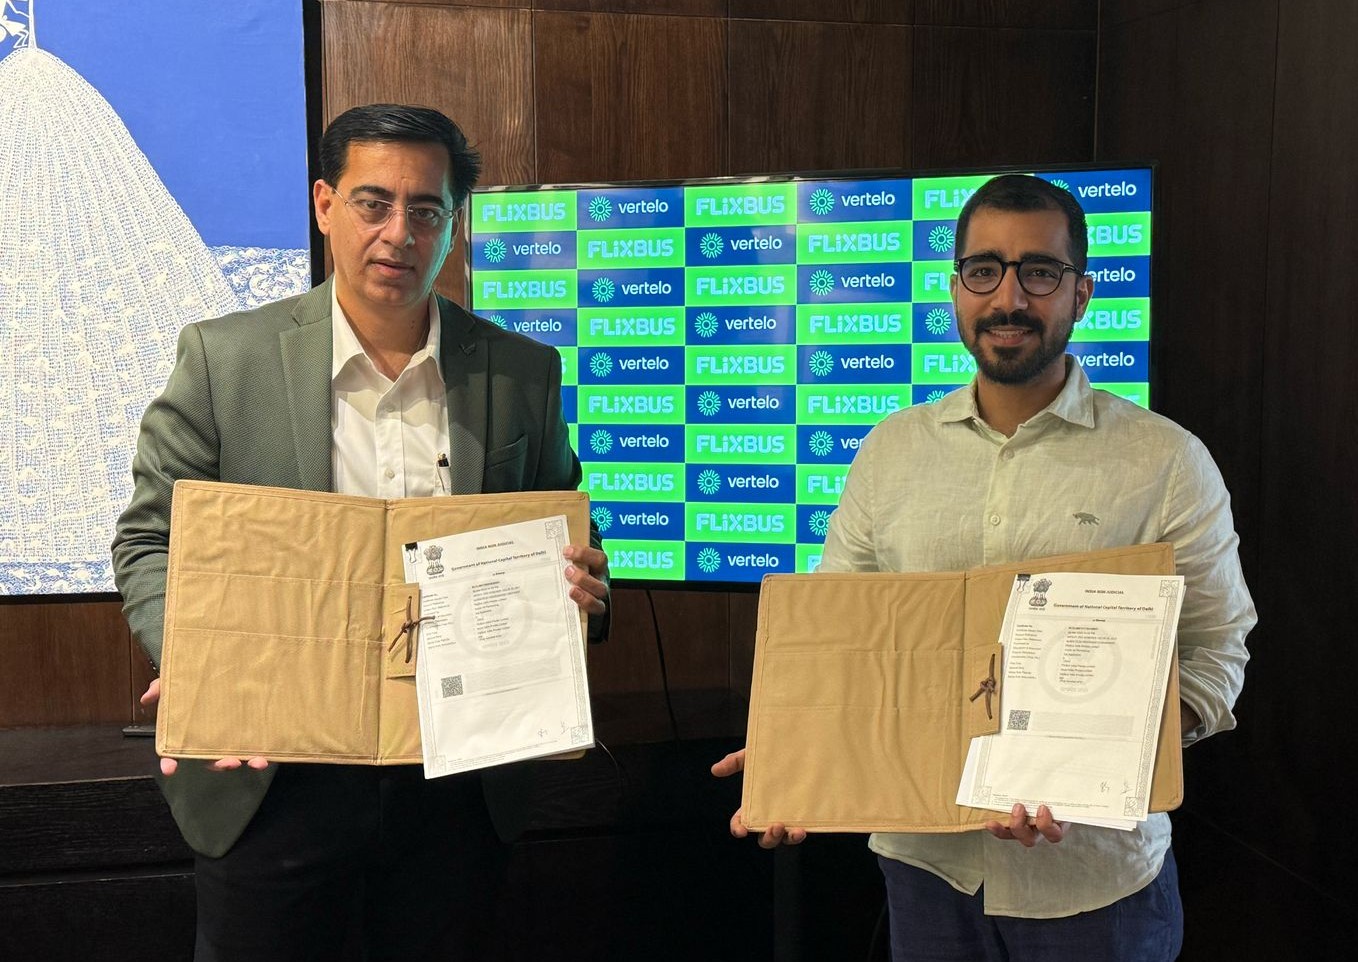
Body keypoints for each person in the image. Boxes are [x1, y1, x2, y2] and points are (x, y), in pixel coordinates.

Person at [113, 103, 610, 962]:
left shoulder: (521, 371)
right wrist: (196, 661)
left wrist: (585, 586)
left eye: (426, 210)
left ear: (453, 224)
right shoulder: (224, 359)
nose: (399, 234)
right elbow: (149, 542)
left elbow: (565, 529)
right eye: (373, 203)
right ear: (324, 205)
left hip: (459, 775)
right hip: (272, 775)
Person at [713, 174, 1254, 961]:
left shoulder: (1167, 462)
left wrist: (1100, 764)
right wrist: (796, 755)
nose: (1009, 297)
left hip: (1094, 887)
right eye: (984, 270)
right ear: (956, 289)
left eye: (1039, 272)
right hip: (925, 873)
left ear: (1081, 293)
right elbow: (837, 641)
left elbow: (1214, 653)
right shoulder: (891, 452)